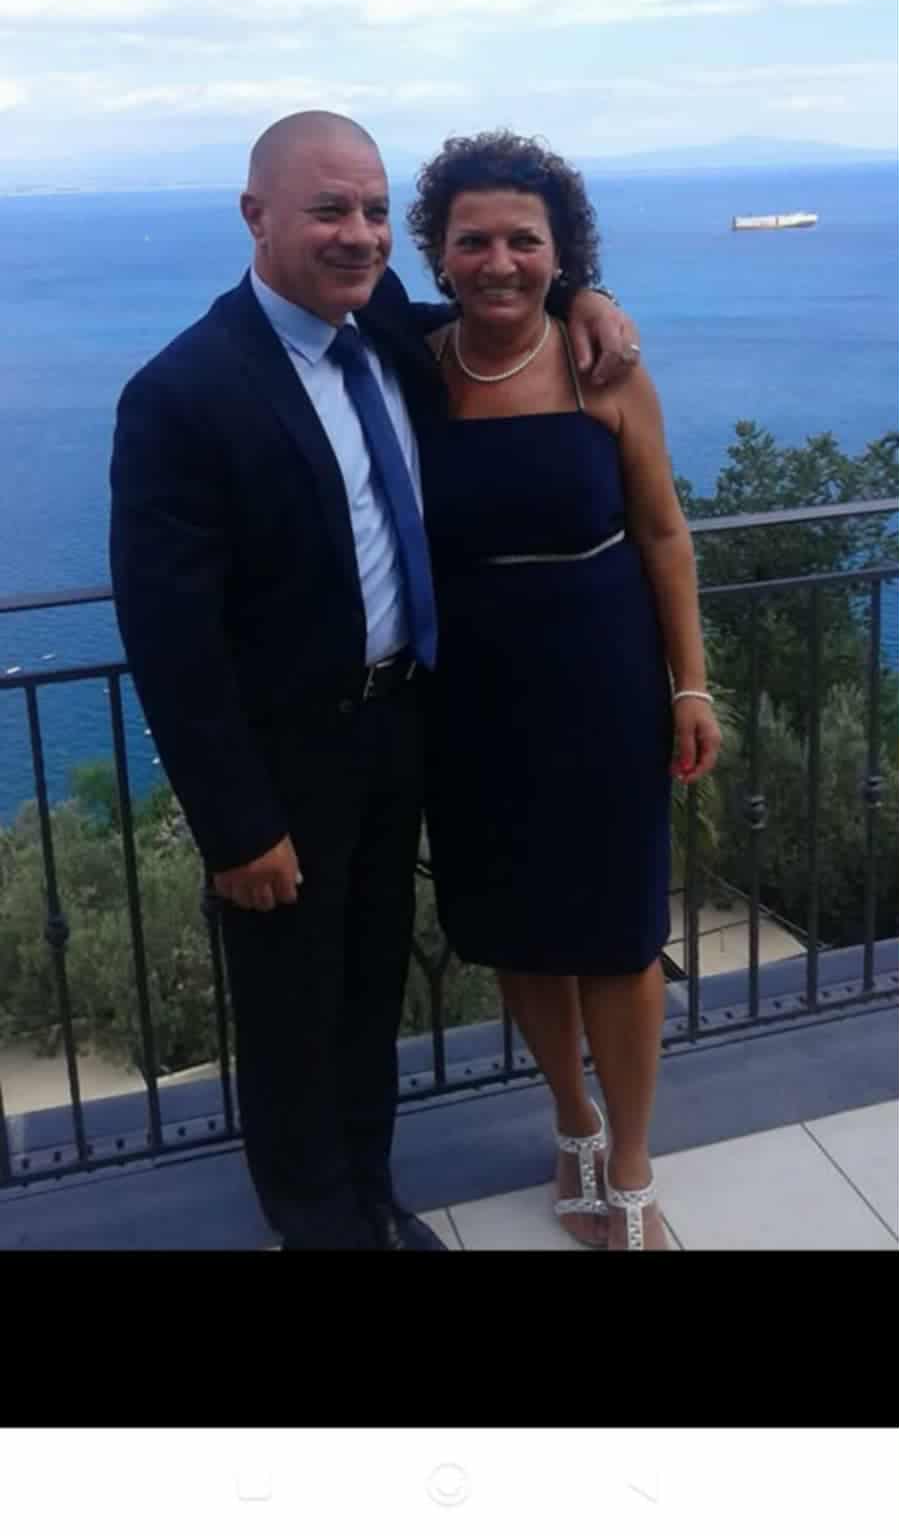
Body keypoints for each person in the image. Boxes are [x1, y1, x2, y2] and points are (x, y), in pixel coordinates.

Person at [109, 109, 642, 1252]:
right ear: (255, 216)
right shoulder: (185, 393)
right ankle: (320, 1222)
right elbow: (170, 638)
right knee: (290, 1007)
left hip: (400, 729)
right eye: (326, 210)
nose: (356, 234)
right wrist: (236, 824)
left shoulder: (387, 324)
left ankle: (371, 1195)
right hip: (286, 761)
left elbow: (495, 300)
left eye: (371, 209)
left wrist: (583, 297)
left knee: (366, 992)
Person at [407, 129, 721, 1252]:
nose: (498, 261)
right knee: (519, 931)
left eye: (523, 240)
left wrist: (691, 687)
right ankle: (571, 1121)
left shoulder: (604, 368)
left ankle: (629, 1156)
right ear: (439, 253)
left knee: (619, 936)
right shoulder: (408, 363)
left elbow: (663, 533)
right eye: (473, 240)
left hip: (601, 681)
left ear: (560, 252)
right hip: (468, 696)